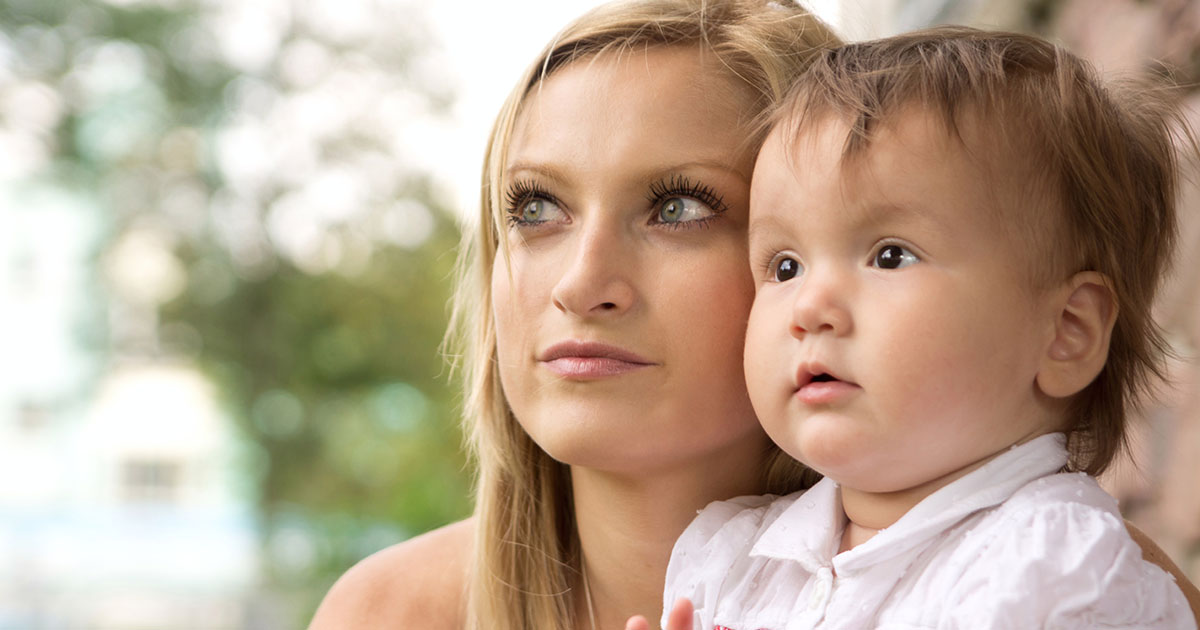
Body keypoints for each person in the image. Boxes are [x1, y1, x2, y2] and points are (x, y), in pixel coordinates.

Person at [307, 3, 1200, 629]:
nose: (582, 283)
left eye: (681, 207)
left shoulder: (1077, 586)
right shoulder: (388, 613)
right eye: (535, 209)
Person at [652, 26, 1198, 629]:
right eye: (785, 266)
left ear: (1067, 331)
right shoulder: (732, 559)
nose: (810, 307)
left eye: (890, 256)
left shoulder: (1058, 567)